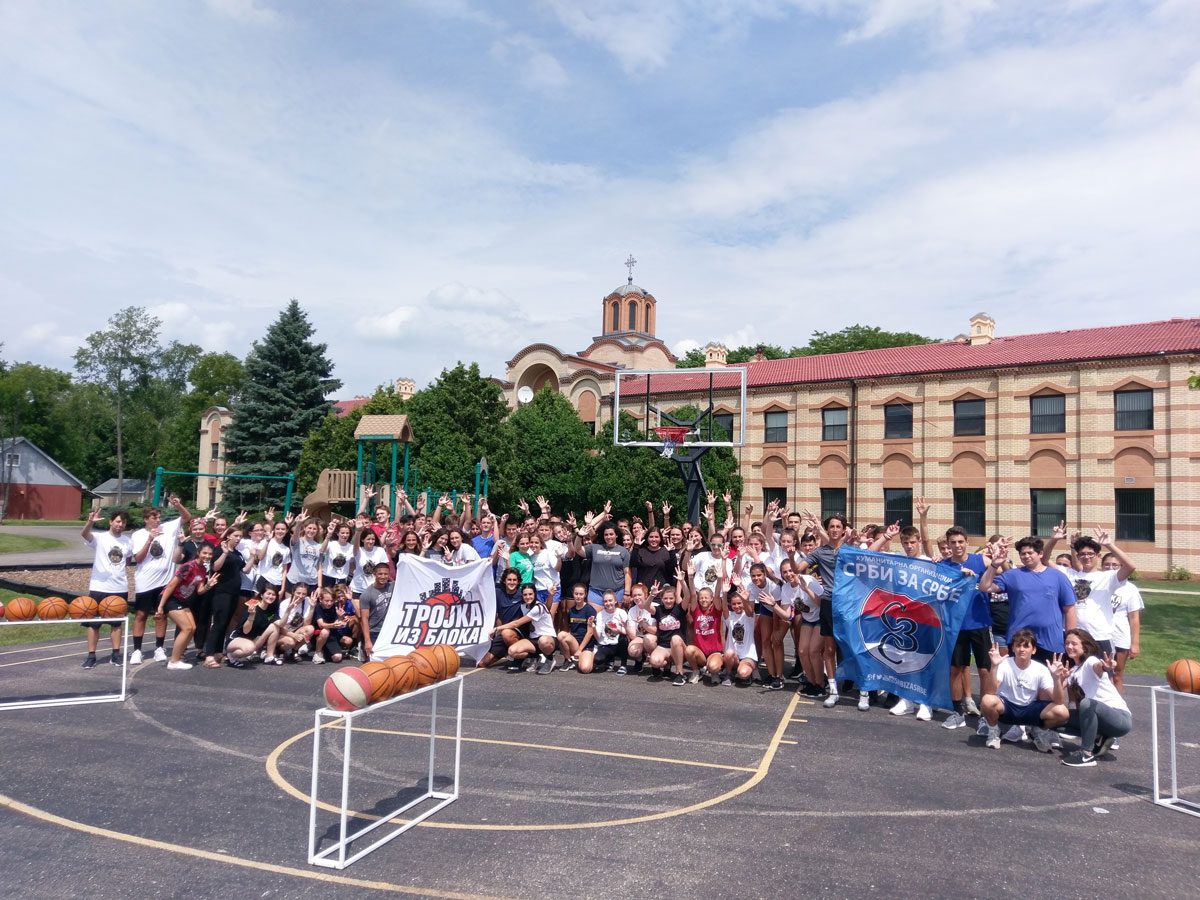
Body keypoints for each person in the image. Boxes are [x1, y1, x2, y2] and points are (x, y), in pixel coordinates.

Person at [1043, 524, 1136, 656]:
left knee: (1103, 675)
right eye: (1082, 554)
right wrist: (1053, 540)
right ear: (1078, 556)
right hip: (1074, 636)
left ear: (1098, 556)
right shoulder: (1068, 575)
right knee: (1070, 675)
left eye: (1090, 554)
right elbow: (1044, 559)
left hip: (1099, 636)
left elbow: (1130, 566)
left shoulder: (1107, 577)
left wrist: (1110, 545)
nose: (1086, 557)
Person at [979, 536, 1077, 662]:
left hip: (1051, 641)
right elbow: (984, 587)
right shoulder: (1012, 575)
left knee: (1051, 679)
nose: (1026, 556)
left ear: (1040, 553)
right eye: (1022, 554)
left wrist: (1071, 638)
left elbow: (1070, 609)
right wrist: (994, 564)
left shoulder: (1058, 577)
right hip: (1020, 641)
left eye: (1030, 553)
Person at [938, 525, 995, 729]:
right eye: (953, 542)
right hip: (955, 626)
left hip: (979, 622)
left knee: (985, 670)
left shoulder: (980, 560)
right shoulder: (943, 566)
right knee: (955, 668)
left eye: (960, 541)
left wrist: (998, 559)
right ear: (948, 544)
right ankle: (957, 713)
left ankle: (987, 716)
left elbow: (1003, 574)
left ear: (967, 542)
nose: (957, 545)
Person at [979, 630, 1070, 752]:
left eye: (1026, 646)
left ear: (1034, 650)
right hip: (1007, 708)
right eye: (1018, 645)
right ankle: (994, 731)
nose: (1022, 649)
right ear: (1013, 648)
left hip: (1029, 709)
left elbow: (1058, 701)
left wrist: (1056, 679)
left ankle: (1038, 731)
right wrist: (994, 667)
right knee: (987, 700)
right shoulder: (1004, 664)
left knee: (1062, 711)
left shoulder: (1041, 669)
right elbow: (990, 692)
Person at [128, 496, 192, 665]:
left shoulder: (168, 528)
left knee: (160, 614)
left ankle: (159, 647)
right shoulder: (138, 535)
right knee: (141, 614)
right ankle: (136, 650)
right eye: (153, 518)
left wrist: (178, 505)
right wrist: (150, 539)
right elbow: (139, 558)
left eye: (158, 517)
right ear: (146, 519)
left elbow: (186, 517)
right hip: (145, 581)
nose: (157, 520)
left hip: (164, 581)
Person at [1059, 628, 1132, 767]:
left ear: (1085, 647)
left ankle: (1086, 755)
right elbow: (1054, 693)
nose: (1069, 646)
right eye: (1067, 643)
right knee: (1055, 717)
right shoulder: (1073, 671)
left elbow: (1098, 667)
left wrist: (1106, 667)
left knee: (1087, 703)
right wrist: (1057, 678)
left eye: (1074, 643)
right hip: (1101, 720)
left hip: (1120, 718)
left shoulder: (1090, 661)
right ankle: (1100, 737)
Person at [80, 508, 133, 669]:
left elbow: (128, 560)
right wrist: (90, 521)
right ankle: (91, 656)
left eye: (123, 522)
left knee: (116, 624)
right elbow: (84, 535)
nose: (120, 524)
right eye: (117, 521)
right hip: (99, 587)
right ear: (110, 522)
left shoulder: (127, 541)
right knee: (94, 624)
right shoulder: (100, 538)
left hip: (119, 587)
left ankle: (115, 654)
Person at [155, 542, 218, 670]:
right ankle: (173, 661)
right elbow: (172, 585)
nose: (207, 556)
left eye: (210, 554)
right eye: (204, 553)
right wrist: (161, 606)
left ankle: (177, 658)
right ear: (199, 552)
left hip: (181, 600)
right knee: (186, 628)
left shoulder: (203, 569)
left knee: (193, 628)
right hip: (170, 599)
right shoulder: (189, 566)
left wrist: (208, 585)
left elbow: (200, 591)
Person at [203, 526, 249, 669]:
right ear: (228, 536)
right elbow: (215, 567)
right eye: (235, 535)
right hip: (221, 591)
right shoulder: (220, 550)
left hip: (234, 592)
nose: (238, 538)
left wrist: (253, 556)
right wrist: (224, 553)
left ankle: (217, 652)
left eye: (240, 536)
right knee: (218, 623)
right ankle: (209, 655)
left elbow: (245, 569)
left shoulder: (238, 553)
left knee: (225, 622)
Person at [493, 584, 557, 674]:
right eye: (525, 595)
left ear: (535, 594)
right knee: (512, 652)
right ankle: (534, 657)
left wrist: (497, 628)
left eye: (530, 594)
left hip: (548, 639)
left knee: (543, 641)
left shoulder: (538, 607)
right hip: (533, 639)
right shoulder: (524, 606)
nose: (528, 597)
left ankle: (550, 659)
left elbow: (517, 623)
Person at [1105, 552, 1143, 693]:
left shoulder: (1130, 589)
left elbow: (1134, 618)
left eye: (1115, 565)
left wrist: (1135, 643)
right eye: (1107, 564)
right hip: (1100, 636)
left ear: (1121, 567)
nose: (1111, 567)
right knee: (1098, 675)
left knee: (1116, 676)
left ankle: (1118, 710)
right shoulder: (1098, 584)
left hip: (1119, 637)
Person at [576, 518, 632, 608]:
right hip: (596, 592)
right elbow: (578, 549)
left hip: (617, 592)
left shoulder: (624, 551)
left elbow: (627, 573)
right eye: (606, 535)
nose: (609, 537)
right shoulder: (595, 548)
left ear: (616, 535)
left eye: (611, 534)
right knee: (596, 620)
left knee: (615, 621)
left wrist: (627, 593)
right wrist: (579, 536)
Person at [263, 584, 314, 664]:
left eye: (303, 594)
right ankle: (279, 650)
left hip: (295, 630)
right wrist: (293, 635)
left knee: (310, 629)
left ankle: (294, 651)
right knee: (290, 641)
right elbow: (280, 626)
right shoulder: (285, 603)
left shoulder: (307, 602)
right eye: (298, 593)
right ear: (293, 592)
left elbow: (306, 624)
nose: (301, 596)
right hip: (282, 632)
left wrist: (312, 608)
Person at [225, 588, 276, 667]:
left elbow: (280, 623)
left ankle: (269, 656)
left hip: (253, 640)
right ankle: (231, 656)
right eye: (268, 594)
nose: (271, 596)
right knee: (249, 648)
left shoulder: (271, 610)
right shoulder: (252, 606)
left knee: (274, 627)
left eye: (273, 595)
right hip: (236, 639)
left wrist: (289, 609)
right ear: (262, 595)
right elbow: (245, 631)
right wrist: (252, 615)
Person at [556, 583, 597, 673]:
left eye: (581, 594)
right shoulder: (571, 610)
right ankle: (568, 660)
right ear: (573, 594)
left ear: (585, 595)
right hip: (575, 642)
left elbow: (590, 632)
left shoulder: (590, 610)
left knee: (585, 669)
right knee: (561, 635)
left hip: (586, 646)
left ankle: (587, 658)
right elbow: (571, 629)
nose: (578, 597)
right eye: (576, 594)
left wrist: (579, 650)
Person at [357, 563, 394, 661]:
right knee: (373, 664)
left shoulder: (393, 586)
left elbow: (410, 576)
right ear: (374, 574)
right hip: (374, 631)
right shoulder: (366, 594)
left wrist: (423, 551)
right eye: (380, 574)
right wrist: (367, 641)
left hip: (388, 631)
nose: (383, 577)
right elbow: (364, 619)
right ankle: (362, 645)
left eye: (385, 574)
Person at [312, 587, 359, 664]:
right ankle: (317, 653)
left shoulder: (335, 607)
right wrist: (333, 625)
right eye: (327, 601)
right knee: (325, 631)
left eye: (331, 601)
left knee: (337, 657)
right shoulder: (318, 607)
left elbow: (338, 623)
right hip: (319, 635)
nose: (329, 603)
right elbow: (321, 625)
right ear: (320, 599)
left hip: (332, 635)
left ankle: (326, 651)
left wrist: (340, 618)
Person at [592, 589, 632, 674]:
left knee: (623, 638)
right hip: (606, 644)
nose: (608, 603)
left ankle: (623, 665)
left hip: (619, 644)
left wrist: (619, 631)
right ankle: (609, 660)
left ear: (615, 601)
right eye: (605, 601)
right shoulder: (600, 615)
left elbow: (627, 633)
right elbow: (598, 636)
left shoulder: (621, 612)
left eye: (610, 600)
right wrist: (593, 628)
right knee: (597, 660)